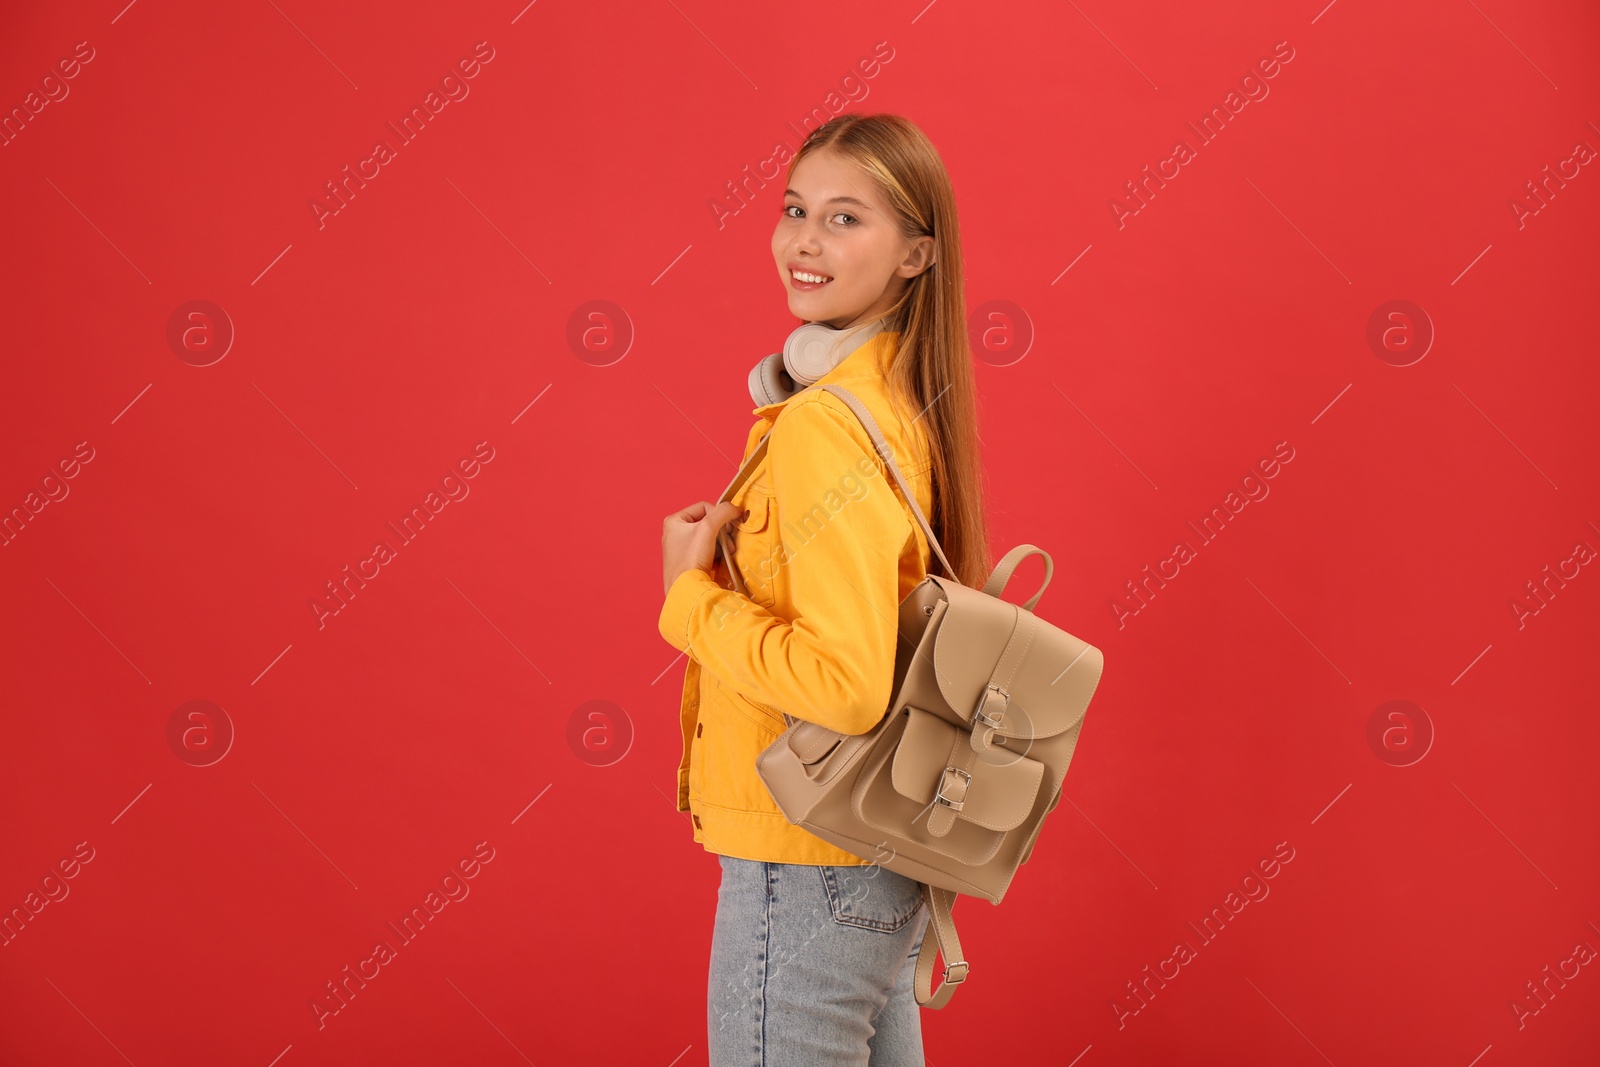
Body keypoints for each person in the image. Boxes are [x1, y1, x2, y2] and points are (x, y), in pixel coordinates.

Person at [657, 112, 990, 1067]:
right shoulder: (895, 403)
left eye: (847, 219)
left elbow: (844, 685)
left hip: (803, 860)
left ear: (917, 254)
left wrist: (692, 599)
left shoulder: (825, 429)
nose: (805, 241)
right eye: (796, 209)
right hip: (871, 859)